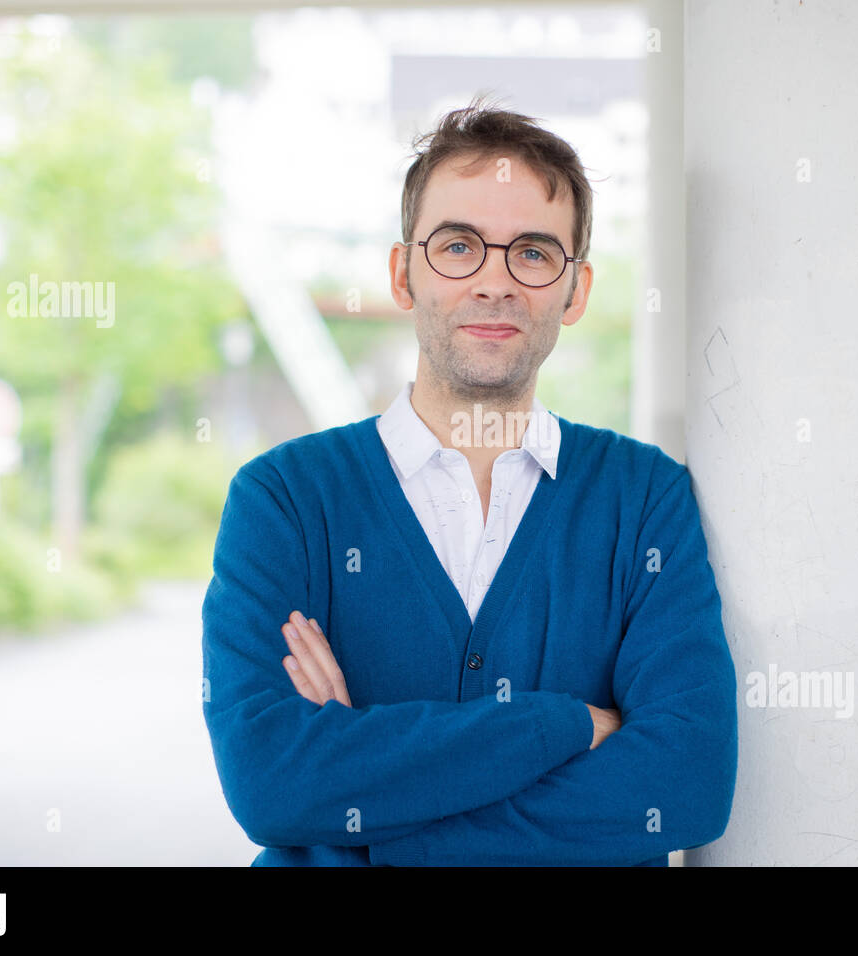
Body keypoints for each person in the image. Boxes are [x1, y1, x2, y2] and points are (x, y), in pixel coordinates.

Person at [201, 94, 738, 866]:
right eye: (458, 247)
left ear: (575, 289)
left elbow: (683, 786)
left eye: (533, 251)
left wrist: (363, 793)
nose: (495, 283)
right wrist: (569, 727)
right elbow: (272, 786)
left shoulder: (645, 498)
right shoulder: (284, 500)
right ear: (402, 274)